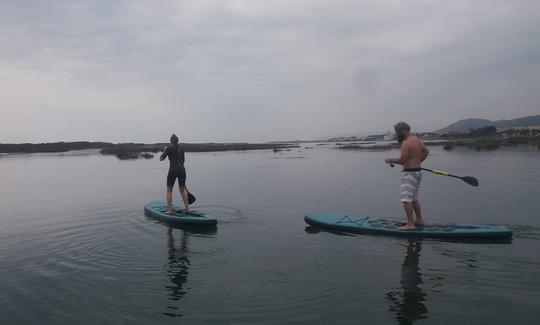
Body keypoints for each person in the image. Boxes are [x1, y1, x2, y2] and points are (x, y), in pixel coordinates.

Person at [385, 122, 429, 230]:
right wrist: (418, 162)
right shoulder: (416, 139)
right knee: (414, 198)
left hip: (409, 173)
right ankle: (418, 219)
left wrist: (390, 159)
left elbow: (402, 160)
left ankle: (410, 224)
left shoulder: (406, 143)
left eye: (397, 132)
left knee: (406, 199)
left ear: (403, 131)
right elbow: (426, 152)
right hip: (417, 172)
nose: (397, 134)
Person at [160, 134, 190, 214]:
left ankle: (169, 210)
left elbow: (161, 159)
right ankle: (187, 209)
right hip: (182, 170)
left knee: (169, 190)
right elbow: (183, 161)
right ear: (177, 140)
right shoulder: (181, 148)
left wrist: (165, 150)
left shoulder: (169, 148)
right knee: (182, 190)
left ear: (171, 141)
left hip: (173, 170)